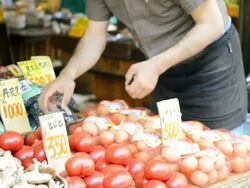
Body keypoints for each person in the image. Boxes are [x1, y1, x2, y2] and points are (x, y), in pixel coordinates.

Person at [39, 0, 248, 133]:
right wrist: (67, 75)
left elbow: (211, 24)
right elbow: (95, 34)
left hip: (211, 64)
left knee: (224, 152)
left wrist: (156, 66)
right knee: (168, 146)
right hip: (162, 69)